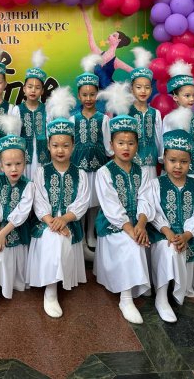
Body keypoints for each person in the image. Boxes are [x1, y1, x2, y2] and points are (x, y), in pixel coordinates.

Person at [27, 86, 90, 318]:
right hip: (46, 223)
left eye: (65, 145)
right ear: (48, 146)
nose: (60, 150)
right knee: (53, 237)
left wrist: (64, 219)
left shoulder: (80, 173)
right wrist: (52, 221)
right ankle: (51, 291)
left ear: (73, 146)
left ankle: (54, 287)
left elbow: (82, 201)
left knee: (61, 235)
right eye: (55, 145)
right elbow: (39, 201)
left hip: (69, 222)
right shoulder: (41, 172)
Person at [94, 82, 154, 325]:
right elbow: (111, 208)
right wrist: (131, 229)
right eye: (120, 143)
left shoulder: (143, 171)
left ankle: (143, 283)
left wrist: (141, 223)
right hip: (114, 225)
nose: (126, 147)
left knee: (146, 239)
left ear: (137, 145)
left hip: (138, 223)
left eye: (130, 143)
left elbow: (147, 199)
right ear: (112, 145)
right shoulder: (104, 172)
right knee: (132, 243)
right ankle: (126, 298)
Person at [148, 109, 194, 323]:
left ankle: (179, 288)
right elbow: (154, 213)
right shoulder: (156, 184)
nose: (178, 166)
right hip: (163, 235)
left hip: (187, 237)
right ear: (164, 159)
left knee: (178, 246)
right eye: (172, 160)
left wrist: (187, 235)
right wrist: (169, 233)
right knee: (169, 248)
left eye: (183, 162)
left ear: (190, 162)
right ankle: (162, 297)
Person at [0, 114, 34, 311]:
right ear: (1, 165)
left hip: (14, 228)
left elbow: (22, 211)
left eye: (18, 164)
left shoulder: (29, 185)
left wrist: (4, 233)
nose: (14, 169)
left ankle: (11, 283)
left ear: (25, 163)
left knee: (7, 249)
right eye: (8, 165)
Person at [69, 54, 111, 257]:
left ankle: (90, 234)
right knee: (82, 202)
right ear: (79, 96)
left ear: (97, 95)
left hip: (98, 166)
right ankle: (82, 237)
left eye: (92, 94)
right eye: (84, 95)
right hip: (79, 167)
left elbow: (108, 145)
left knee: (95, 201)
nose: (88, 98)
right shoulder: (72, 119)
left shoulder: (103, 119)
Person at [164, 60, 194, 213]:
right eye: (187, 95)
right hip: (177, 165)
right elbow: (165, 145)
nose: (191, 99)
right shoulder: (169, 119)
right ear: (175, 97)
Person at [12, 49, 49, 180]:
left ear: (42, 91)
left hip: (43, 154)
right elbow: (14, 135)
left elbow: (50, 134)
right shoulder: (17, 110)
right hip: (24, 155)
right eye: (30, 87)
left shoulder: (47, 110)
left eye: (37, 87)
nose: (33, 90)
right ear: (24, 89)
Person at [128, 47, 163, 183]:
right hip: (130, 162)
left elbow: (159, 138)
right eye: (138, 87)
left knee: (150, 192)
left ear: (151, 89)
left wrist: (162, 158)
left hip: (150, 163)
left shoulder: (155, 113)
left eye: (147, 87)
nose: (143, 91)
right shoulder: (126, 112)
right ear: (131, 89)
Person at [80, 6, 132, 90]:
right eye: (111, 34)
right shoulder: (97, 52)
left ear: (118, 41)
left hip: (111, 92)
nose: (110, 35)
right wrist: (83, 11)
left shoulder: (116, 62)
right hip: (98, 92)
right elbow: (89, 31)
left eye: (114, 35)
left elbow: (135, 72)